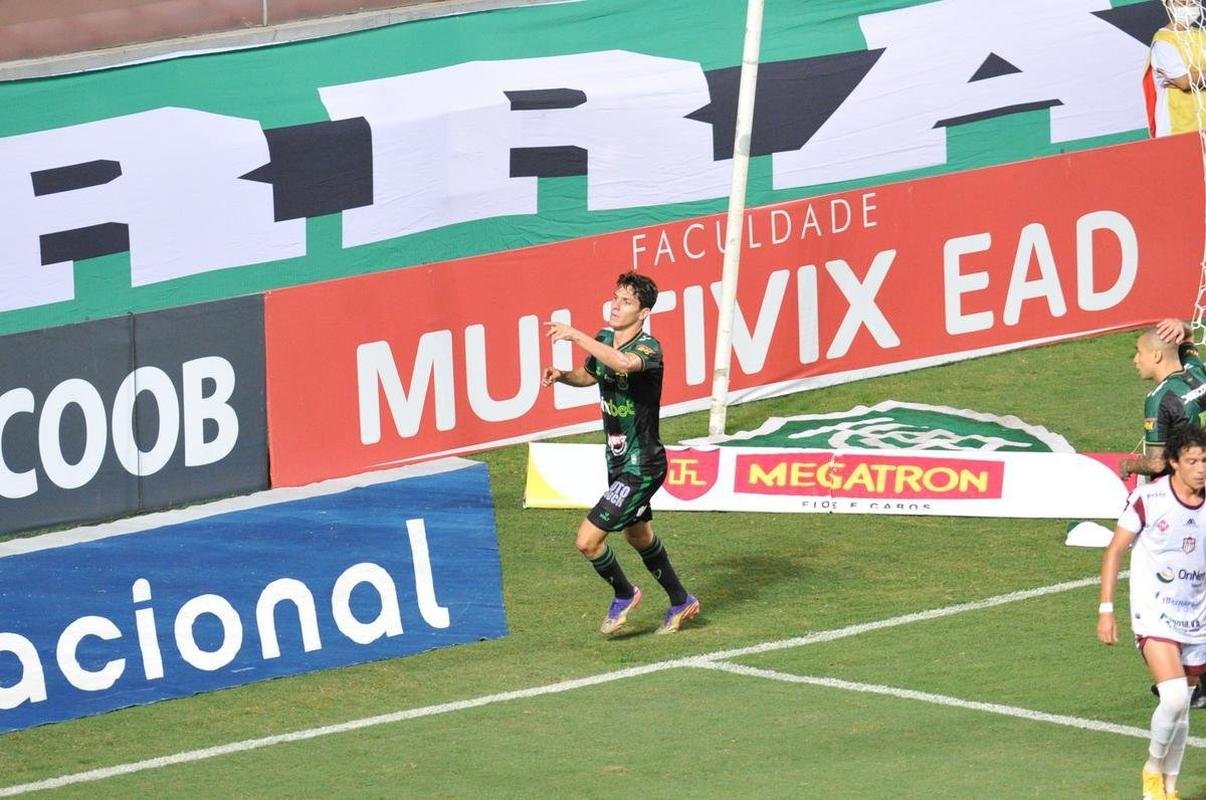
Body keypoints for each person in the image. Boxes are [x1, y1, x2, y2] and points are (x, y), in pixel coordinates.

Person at [541, 272, 699, 635]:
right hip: (617, 461)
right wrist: (563, 374)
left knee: (587, 541)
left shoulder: (648, 349)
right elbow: (592, 373)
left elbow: (623, 364)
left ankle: (625, 594)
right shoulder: (605, 340)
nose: (615, 305)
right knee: (638, 536)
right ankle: (681, 600)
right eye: (614, 297)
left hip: (642, 465)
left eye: (626, 301)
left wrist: (576, 335)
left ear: (643, 312)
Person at [1099, 423, 1206, 800]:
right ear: (1174, 463)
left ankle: (1170, 787)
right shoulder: (1149, 499)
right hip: (1154, 612)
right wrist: (1106, 610)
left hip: (1197, 618)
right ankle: (1151, 767)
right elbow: (1114, 552)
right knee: (1174, 697)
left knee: (1184, 707)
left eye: (1205, 460)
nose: (1200, 468)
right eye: (1192, 460)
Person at [1119, 326, 1206, 481]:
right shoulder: (1196, 369)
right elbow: (1188, 336)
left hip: (1186, 486)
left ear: (1157, 355)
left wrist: (1128, 465)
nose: (1135, 360)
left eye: (1139, 352)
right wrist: (1179, 325)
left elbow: (1156, 463)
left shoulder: (1158, 398)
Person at [1145, 0, 1206, 138]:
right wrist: (1189, 79)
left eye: (1193, 3)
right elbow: (1184, 82)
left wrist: (1195, 77)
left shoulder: (1202, 35)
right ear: (1169, 3)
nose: (1190, 6)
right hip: (1177, 127)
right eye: (1183, 2)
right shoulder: (1163, 41)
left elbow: (1187, 80)